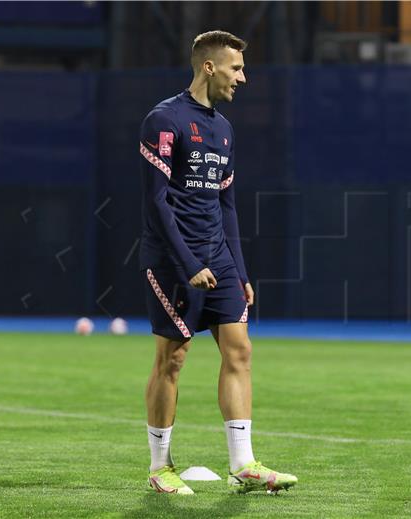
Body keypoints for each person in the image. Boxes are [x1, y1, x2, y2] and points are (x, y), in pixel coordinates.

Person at [138, 30, 297, 495]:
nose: (242, 78)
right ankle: (159, 467)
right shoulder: (163, 120)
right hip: (172, 260)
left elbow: (226, 206)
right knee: (173, 358)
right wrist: (187, 262)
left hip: (219, 259)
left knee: (240, 350)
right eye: (236, 68)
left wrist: (240, 271)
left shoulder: (224, 129)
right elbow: (157, 203)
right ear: (210, 67)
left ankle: (244, 464)